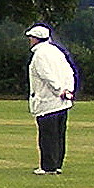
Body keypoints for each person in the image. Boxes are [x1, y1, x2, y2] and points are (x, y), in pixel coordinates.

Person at [26, 24, 76, 175]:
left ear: (36, 39)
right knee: (59, 135)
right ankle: (57, 164)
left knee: (48, 135)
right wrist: (68, 89)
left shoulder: (40, 55)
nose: (30, 41)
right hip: (62, 101)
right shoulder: (57, 51)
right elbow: (69, 72)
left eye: (31, 38)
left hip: (47, 101)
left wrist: (59, 90)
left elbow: (46, 75)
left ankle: (48, 166)